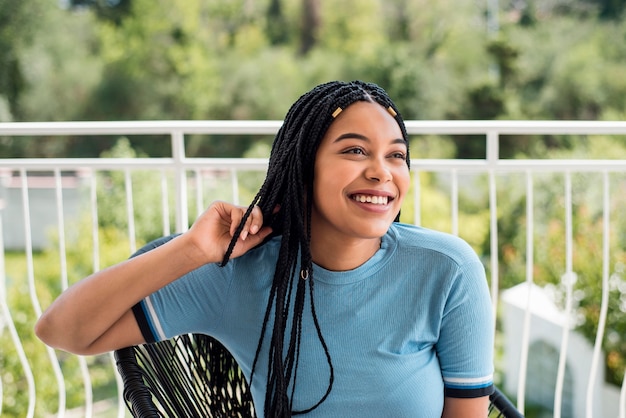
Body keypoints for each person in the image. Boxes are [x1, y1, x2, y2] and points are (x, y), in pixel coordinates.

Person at [35, 80, 494, 417]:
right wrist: (193, 249)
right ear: (302, 166)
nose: (382, 172)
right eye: (354, 151)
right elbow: (63, 330)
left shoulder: (447, 269)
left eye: (396, 155)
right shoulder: (238, 274)